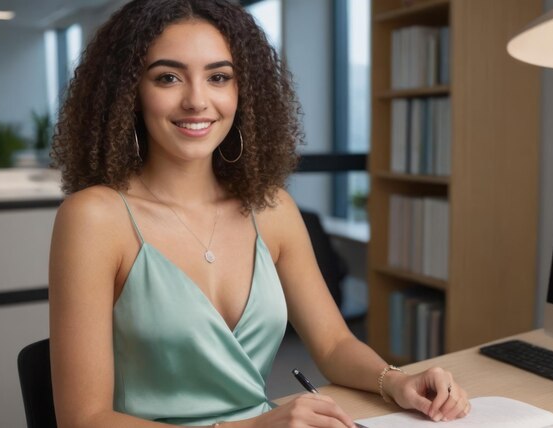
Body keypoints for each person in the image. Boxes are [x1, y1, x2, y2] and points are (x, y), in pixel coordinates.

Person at [48, 0, 470, 426]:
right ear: (130, 93)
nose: (197, 100)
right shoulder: (93, 219)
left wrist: (396, 381)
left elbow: (334, 344)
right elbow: (83, 418)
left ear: (242, 91)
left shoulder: (272, 209)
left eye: (218, 77)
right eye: (168, 77)